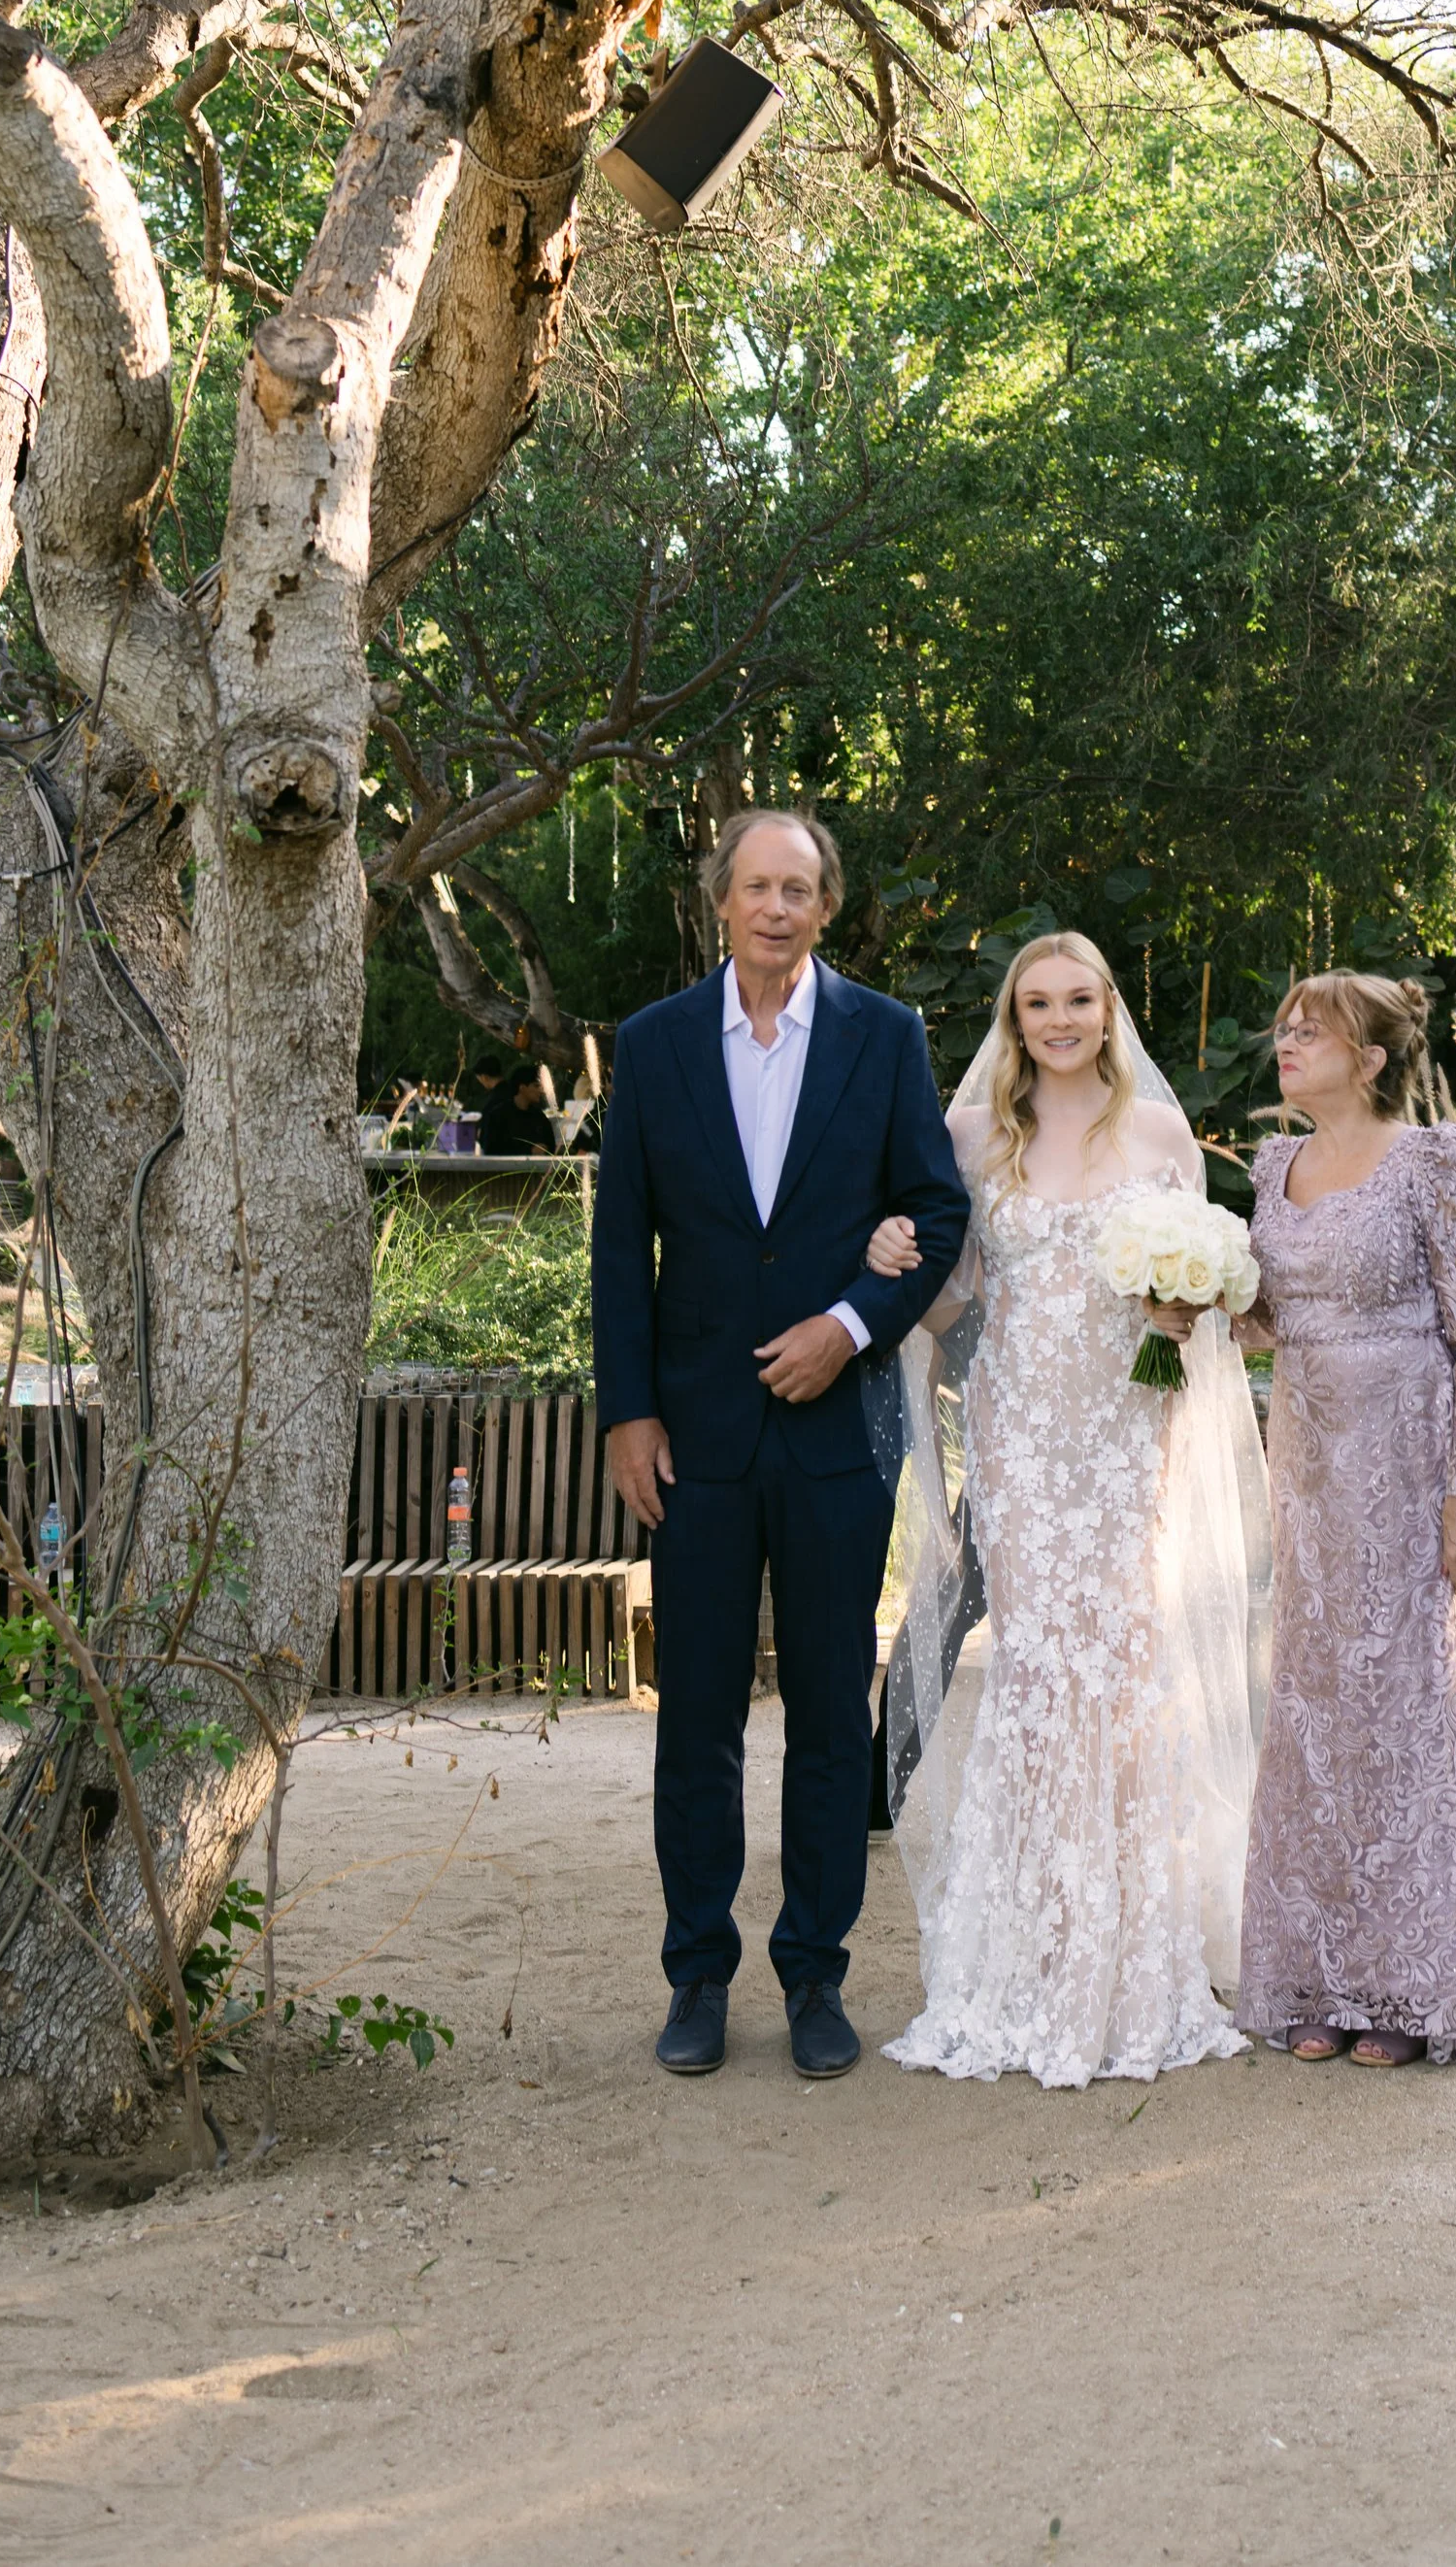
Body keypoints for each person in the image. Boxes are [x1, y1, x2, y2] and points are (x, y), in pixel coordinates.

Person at [593, 810, 970, 2083]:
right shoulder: (648, 1052)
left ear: (823, 905)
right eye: (755, 885)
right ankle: (696, 1976)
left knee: (823, 1716)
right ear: (723, 902)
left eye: (797, 888)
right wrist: (627, 1412)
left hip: (832, 1446)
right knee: (692, 1716)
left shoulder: (885, 1037)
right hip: (691, 1442)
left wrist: (852, 1326)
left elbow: (937, 1202)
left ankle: (815, 1976)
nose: (774, 905)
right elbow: (619, 1249)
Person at [861, 933, 1269, 2089]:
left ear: (1107, 1008)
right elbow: (951, 1293)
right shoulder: (972, 1132)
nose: (1057, 1019)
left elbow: (1205, 1287)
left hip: (1128, 1426)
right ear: (1014, 1014)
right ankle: (1030, 1946)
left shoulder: (1157, 1133)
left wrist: (1186, 1302)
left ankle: (1135, 1951)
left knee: (1125, 1655)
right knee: (1038, 1659)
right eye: (1036, 1002)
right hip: (1027, 1429)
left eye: (1077, 999)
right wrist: (888, 1248)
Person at [1235, 971, 1456, 2067]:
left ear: (1369, 1058)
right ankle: (1320, 1974)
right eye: (1284, 1030)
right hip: (1308, 1468)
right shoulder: (1271, 1166)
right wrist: (1195, 1300)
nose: (1287, 1044)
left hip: (1406, 1464)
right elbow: (1273, 1320)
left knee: (1403, 1708)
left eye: (1309, 1032)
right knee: (1315, 1714)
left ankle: (1413, 1985)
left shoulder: (1431, 1161)